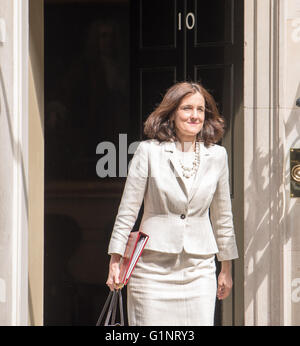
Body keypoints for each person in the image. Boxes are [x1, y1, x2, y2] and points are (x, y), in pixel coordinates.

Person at [106, 81, 238, 326]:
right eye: (187, 108)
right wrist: (115, 259)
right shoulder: (148, 151)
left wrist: (226, 268)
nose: (195, 115)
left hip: (199, 269)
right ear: (172, 113)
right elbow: (127, 210)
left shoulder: (218, 156)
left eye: (200, 109)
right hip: (152, 270)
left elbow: (222, 216)